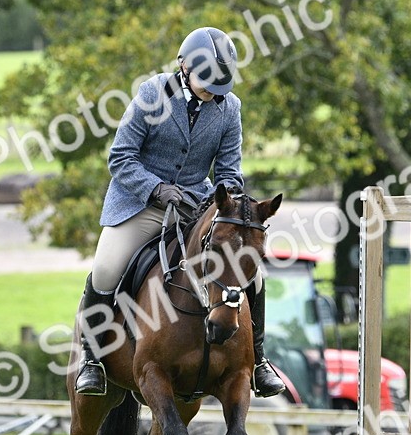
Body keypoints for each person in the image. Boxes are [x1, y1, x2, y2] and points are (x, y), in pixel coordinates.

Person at [74, 26, 285, 400]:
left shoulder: (230, 108)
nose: (211, 92)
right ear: (184, 65)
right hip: (140, 205)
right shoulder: (153, 93)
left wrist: (230, 199)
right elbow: (120, 157)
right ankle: (92, 360)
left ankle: (260, 360)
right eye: (205, 82)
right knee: (106, 269)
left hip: (195, 208)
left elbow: (229, 170)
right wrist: (156, 189)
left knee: (253, 274)